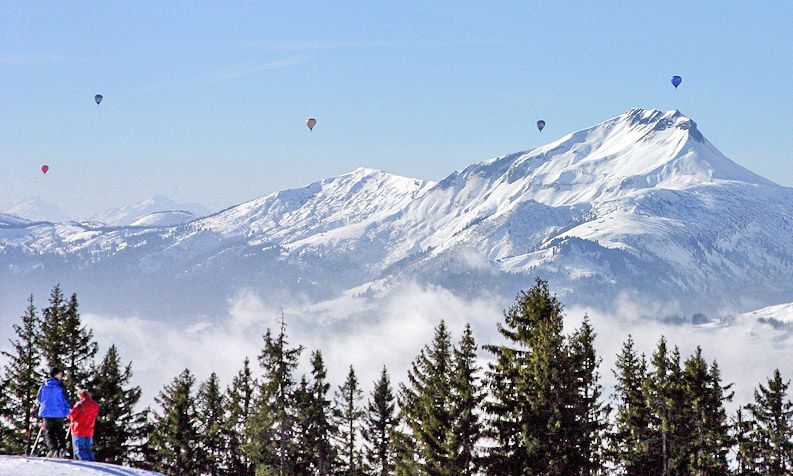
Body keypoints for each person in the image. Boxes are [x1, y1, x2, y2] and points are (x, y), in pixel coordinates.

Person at [37, 367, 71, 457]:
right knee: (59, 430)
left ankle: (53, 448)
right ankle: (62, 448)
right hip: (59, 411)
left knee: (49, 431)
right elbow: (65, 398)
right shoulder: (60, 385)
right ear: (56, 374)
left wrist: (45, 404)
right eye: (60, 373)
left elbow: (39, 397)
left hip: (47, 411)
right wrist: (68, 408)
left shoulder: (44, 384)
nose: (61, 375)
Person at [67, 387, 100, 461]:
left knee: (80, 449)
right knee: (88, 448)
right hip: (89, 429)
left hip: (78, 429)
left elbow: (72, 415)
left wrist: (68, 412)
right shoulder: (95, 405)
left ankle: (85, 462)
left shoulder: (80, 404)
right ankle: (92, 461)